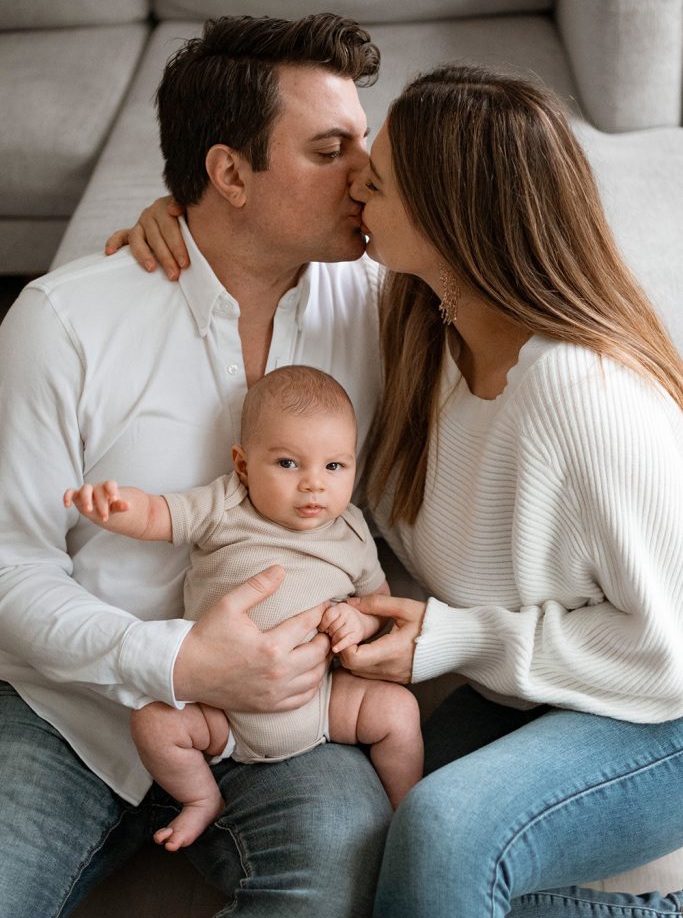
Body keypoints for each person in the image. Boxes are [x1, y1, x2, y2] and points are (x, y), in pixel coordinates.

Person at [124, 64, 683, 918]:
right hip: (535, 692)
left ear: (449, 216)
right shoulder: (419, 326)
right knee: (369, 843)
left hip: (658, 714)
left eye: (375, 183)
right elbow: (257, 264)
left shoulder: (584, 398)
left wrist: (455, 638)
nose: (353, 190)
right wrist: (189, 229)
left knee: (444, 830)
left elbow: (668, 651)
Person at [0, 13, 393, 918]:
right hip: (74, 709)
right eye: (330, 149)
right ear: (227, 173)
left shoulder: (380, 308)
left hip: (285, 722)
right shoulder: (67, 321)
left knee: (343, 867)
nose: (364, 175)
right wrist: (174, 663)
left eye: (361, 144)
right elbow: (12, 564)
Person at [64, 365, 423, 851]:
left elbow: (376, 601)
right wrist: (115, 504)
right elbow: (158, 514)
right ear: (243, 464)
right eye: (289, 464)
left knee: (398, 711)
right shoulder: (225, 505)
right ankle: (200, 799)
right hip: (221, 712)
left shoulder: (352, 532)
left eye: (334, 467)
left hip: (320, 702)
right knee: (153, 722)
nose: (314, 484)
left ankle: (408, 814)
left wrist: (358, 619)